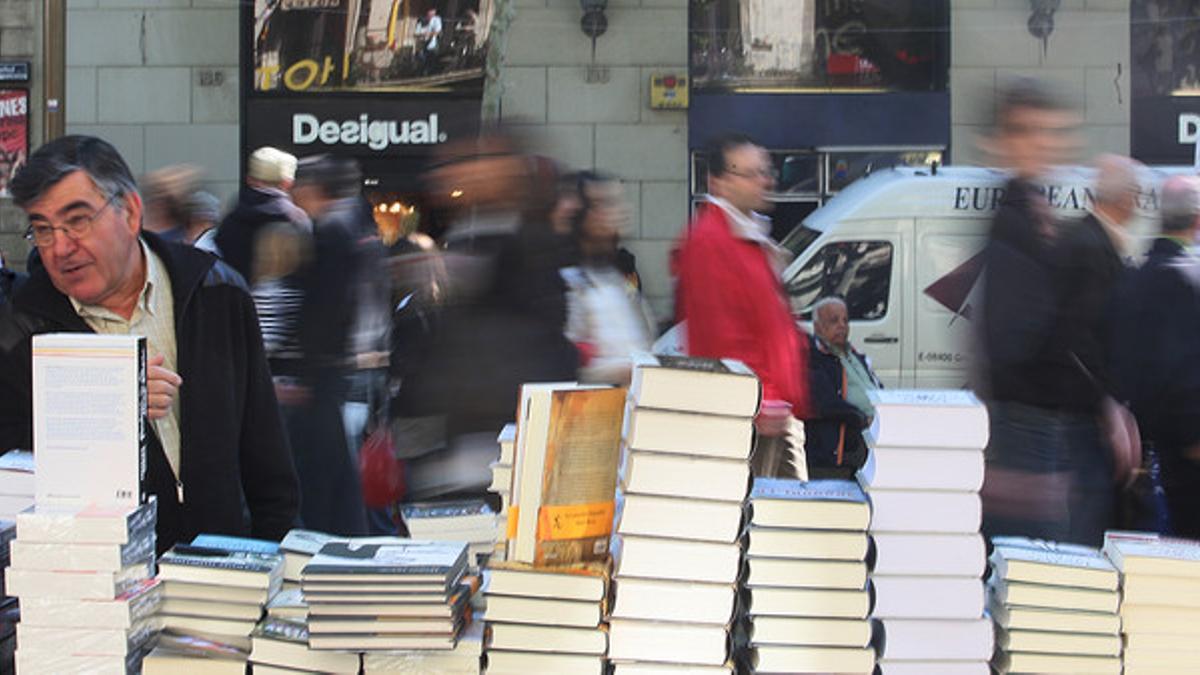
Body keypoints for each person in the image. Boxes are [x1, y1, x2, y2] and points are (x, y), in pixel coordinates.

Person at [0, 135, 299, 551]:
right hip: (94, 582)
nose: (61, 247)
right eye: (43, 229)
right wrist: (108, 405)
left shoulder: (216, 291)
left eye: (78, 220)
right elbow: (14, 473)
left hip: (224, 576)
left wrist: (274, 561)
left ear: (131, 212)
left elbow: (265, 454)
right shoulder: (18, 328)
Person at [977, 79, 1096, 544]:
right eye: (1029, 131)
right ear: (1004, 142)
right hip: (1027, 422)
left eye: (1051, 131)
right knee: (1033, 560)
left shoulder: (1033, 212)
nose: (1044, 143)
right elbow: (1009, 336)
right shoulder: (1012, 219)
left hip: (1039, 420)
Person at [674, 132, 811, 478]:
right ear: (718, 182)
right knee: (774, 518)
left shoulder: (745, 236)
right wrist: (763, 399)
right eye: (750, 173)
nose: (764, 181)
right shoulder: (712, 240)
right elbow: (724, 334)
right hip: (755, 415)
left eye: (765, 172)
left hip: (768, 409)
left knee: (783, 517)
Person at [1111, 176, 1200, 536]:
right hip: (1184, 448)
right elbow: (1182, 366)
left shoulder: (1136, 276)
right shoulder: (1181, 278)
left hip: (1141, 443)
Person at [285, 155, 369, 536]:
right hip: (331, 366)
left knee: (320, 467)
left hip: (319, 370)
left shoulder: (329, 232)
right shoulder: (349, 227)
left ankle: (323, 537)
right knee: (332, 463)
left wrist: (304, 368)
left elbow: (323, 306)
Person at [561, 172, 656, 385]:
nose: (617, 212)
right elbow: (568, 361)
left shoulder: (622, 271)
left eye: (617, 202)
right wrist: (628, 370)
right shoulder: (567, 279)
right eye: (603, 204)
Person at [805, 296, 881, 478]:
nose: (842, 325)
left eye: (845, 320)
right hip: (844, 444)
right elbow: (826, 403)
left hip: (874, 433)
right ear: (817, 327)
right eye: (834, 320)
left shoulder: (855, 355)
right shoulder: (814, 357)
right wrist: (863, 419)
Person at [215, 146, 309, 283]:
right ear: (287, 183)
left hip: (237, 298)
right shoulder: (296, 219)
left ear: (249, 179)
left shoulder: (231, 220)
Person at [414, 8, 442, 75]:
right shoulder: (421, 20)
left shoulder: (436, 20)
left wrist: (429, 34)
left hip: (432, 44)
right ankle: (421, 73)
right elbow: (416, 33)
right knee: (421, 58)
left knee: (432, 59)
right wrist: (421, 35)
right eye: (429, 14)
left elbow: (438, 31)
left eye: (432, 14)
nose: (430, 15)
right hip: (422, 44)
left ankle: (430, 73)